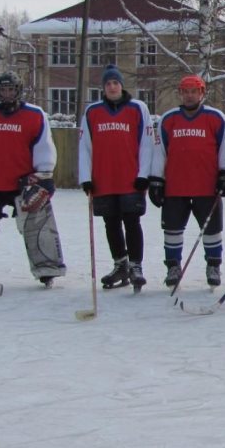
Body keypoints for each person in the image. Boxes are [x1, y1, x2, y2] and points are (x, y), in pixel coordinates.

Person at [0, 71, 66, 287]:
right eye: (3, 89)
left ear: (18, 90)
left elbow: (44, 147)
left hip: (24, 184)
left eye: (11, 89)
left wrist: (44, 175)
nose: (7, 93)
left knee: (37, 223)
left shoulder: (34, 115)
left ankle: (47, 267)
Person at [149, 75, 225, 288]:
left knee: (212, 230)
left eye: (193, 91)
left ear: (202, 93)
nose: (189, 95)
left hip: (206, 185)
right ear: (180, 93)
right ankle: (173, 266)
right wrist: (156, 180)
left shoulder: (216, 118)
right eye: (185, 91)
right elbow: (159, 152)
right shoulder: (168, 120)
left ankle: (213, 265)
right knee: (172, 230)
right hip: (175, 186)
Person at [79, 64, 153, 293]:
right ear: (103, 87)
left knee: (132, 222)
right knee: (110, 223)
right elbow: (84, 147)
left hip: (130, 178)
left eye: (115, 83)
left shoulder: (138, 108)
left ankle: (135, 265)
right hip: (103, 179)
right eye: (108, 83)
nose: (112, 87)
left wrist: (143, 175)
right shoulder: (93, 112)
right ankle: (120, 263)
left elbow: (146, 143)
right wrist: (85, 177)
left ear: (121, 85)